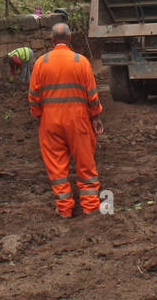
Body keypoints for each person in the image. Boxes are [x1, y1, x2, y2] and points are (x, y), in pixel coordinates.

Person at [28, 23, 104, 218]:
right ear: (70, 39)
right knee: (85, 164)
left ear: (52, 40)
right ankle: (90, 206)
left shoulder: (41, 62)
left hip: (50, 121)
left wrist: (39, 116)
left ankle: (64, 209)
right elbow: (92, 95)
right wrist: (95, 116)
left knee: (56, 166)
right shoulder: (81, 61)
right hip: (79, 120)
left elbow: (33, 96)